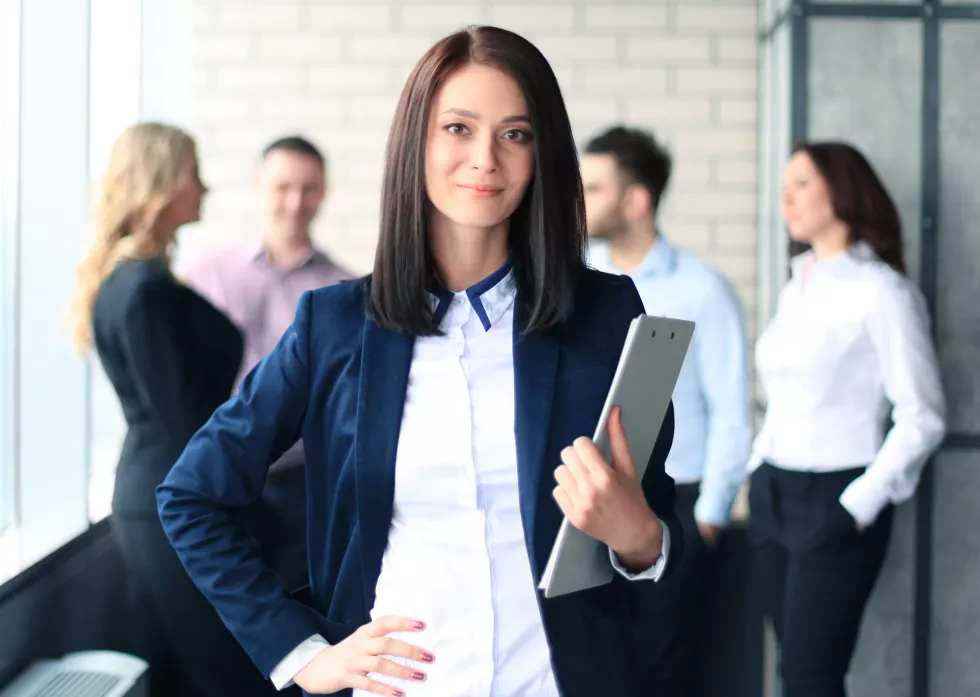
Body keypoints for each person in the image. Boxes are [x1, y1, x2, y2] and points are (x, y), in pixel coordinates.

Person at [157, 26, 683, 697]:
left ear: (541, 154)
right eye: (458, 128)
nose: (485, 158)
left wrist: (642, 537)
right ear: (417, 142)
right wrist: (297, 650)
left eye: (516, 133)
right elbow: (190, 494)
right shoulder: (335, 325)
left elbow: (652, 521)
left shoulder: (606, 316)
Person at [67, 122, 278, 697]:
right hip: (171, 504)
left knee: (199, 671)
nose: (204, 189)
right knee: (222, 676)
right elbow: (187, 423)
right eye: (192, 174)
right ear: (159, 183)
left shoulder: (133, 282)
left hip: (155, 496)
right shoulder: (144, 291)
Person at [748, 141, 946, 697]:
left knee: (811, 679)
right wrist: (757, 468)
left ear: (845, 189)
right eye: (785, 184)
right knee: (793, 670)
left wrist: (857, 506)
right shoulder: (799, 285)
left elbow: (923, 416)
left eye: (804, 182)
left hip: (835, 498)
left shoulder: (882, 292)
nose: (788, 196)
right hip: (773, 493)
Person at [582, 125, 752, 695]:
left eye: (594, 188)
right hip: (590, 501)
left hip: (675, 508)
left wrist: (709, 517)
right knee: (595, 668)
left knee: (664, 676)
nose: (580, 201)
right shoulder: (576, 282)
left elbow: (733, 411)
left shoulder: (703, 290)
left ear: (637, 199)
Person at [182, 135, 353, 591]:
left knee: (296, 609)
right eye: (283, 187)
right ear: (258, 185)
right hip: (221, 482)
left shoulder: (343, 289)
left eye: (309, 188)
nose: (295, 202)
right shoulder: (204, 277)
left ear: (324, 193)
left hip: (305, 489)